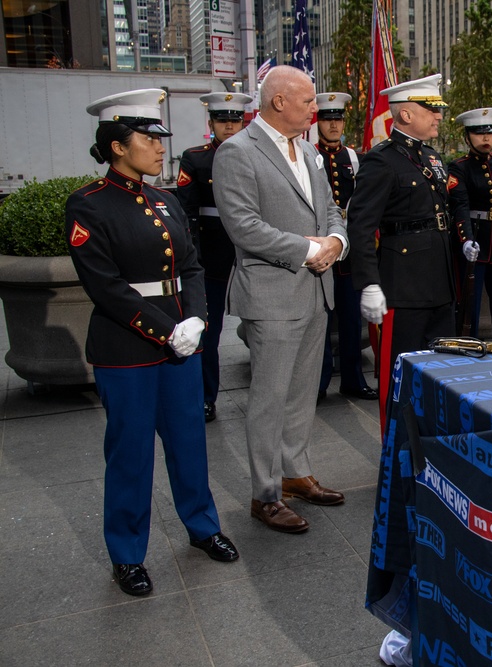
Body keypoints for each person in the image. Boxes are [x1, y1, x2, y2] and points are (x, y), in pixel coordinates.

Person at [66, 88, 239, 597]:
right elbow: (106, 287)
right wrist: (167, 330)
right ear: (117, 146)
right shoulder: (88, 205)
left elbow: (191, 266)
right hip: (127, 350)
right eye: (148, 138)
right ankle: (126, 553)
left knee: (189, 443)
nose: (160, 147)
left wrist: (198, 324)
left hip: (181, 342)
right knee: (131, 453)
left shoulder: (164, 200)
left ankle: (202, 526)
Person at [213, 66, 349, 534]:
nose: (316, 109)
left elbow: (331, 207)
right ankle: (265, 494)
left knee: (300, 393)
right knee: (269, 399)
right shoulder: (236, 153)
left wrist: (336, 241)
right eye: (309, 101)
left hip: (315, 290)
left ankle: (295, 474)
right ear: (278, 102)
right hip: (272, 295)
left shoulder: (309, 150)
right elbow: (244, 226)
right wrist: (312, 250)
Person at [347, 74, 460, 430]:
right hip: (404, 286)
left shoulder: (430, 156)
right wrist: (368, 283)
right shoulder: (381, 161)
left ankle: (431, 445)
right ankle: (395, 454)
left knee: (440, 374)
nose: (438, 116)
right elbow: (361, 226)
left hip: (440, 283)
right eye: (431, 110)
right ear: (406, 115)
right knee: (400, 378)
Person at [176, 91, 252, 423]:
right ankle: (206, 397)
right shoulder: (195, 158)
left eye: (235, 120)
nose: (229, 126)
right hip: (211, 257)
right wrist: (193, 258)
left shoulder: (256, 155)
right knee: (208, 330)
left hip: (251, 253)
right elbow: (186, 213)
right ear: (211, 124)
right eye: (223, 120)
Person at [314, 91, 378, 402]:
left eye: (338, 119)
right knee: (320, 322)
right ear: (318, 122)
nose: (333, 125)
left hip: (348, 250)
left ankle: (353, 379)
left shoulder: (355, 158)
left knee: (352, 321)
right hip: (320, 247)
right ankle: (319, 381)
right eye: (327, 119)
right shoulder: (307, 155)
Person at [447, 107, 492, 342]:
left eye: (489, 133)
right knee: (469, 309)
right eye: (478, 134)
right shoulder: (459, 167)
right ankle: (468, 351)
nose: (486, 138)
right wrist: (465, 240)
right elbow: (460, 207)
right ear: (467, 138)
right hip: (475, 243)